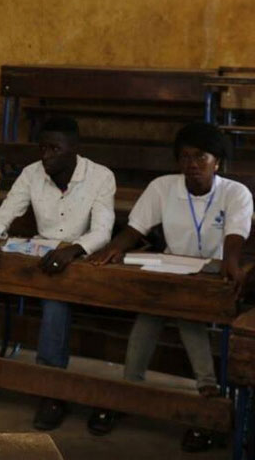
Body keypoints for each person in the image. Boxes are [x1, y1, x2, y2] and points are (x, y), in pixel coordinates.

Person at [88, 122, 253, 451]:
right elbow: (135, 228)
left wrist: (232, 263)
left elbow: (235, 234)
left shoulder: (235, 192)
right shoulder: (164, 186)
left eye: (200, 157)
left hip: (214, 273)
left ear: (217, 161)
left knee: (178, 308)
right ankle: (197, 391)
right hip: (173, 268)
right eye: (185, 157)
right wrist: (114, 247)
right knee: (156, 308)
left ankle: (141, 389)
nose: (192, 164)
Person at [0, 117, 116, 431]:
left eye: (55, 148)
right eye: (43, 148)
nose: (47, 155)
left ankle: (50, 390)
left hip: (73, 256)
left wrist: (73, 250)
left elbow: (103, 231)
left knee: (55, 299)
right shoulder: (31, 174)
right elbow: (6, 213)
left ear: (74, 150)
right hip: (39, 251)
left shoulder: (100, 177)